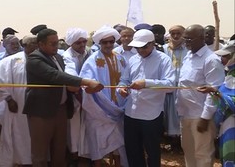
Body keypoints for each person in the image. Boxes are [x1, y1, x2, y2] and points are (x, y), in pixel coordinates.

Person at [23, 28, 103, 167]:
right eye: (52, 44)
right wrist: (85, 81)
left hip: (60, 110)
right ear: (41, 44)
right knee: (40, 153)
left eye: (57, 43)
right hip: (41, 112)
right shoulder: (34, 59)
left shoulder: (58, 57)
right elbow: (55, 76)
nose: (56, 47)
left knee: (59, 150)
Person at [118, 29, 175, 167]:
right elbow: (124, 79)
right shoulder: (133, 59)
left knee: (152, 151)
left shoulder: (163, 60)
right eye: (137, 47)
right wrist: (122, 88)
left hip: (152, 114)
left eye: (144, 47)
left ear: (153, 43)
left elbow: (171, 85)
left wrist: (146, 83)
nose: (141, 50)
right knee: (133, 150)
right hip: (131, 112)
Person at [79, 25, 128, 167]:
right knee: (97, 143)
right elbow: (85, 81)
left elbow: (126, 78)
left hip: (118, 107)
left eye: (111, 42)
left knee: (119, 142)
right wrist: (89, 88)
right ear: (99, 43)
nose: (108, 45)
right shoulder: (92, 60)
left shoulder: (121, 58)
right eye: (104, 42)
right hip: (98, 109)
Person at [176, 24, 225, 167]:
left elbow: (214, 90)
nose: (186, 42)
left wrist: (205, 117)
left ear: (202, 38)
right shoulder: (188, 56)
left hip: (200, 116)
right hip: (185, 113)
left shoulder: (211, 60)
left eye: (190, 39)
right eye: (185, 38)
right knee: (189, 151)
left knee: (202, 154)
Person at [0, 35, 38, 166]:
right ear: (25, 45)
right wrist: (9, 99)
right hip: (17, 107)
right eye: (32, 43)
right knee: (18, 134)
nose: (36, 46)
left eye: (37, 43)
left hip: (38, 108)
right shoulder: (10, 61)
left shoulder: (43, 61)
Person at [197, 41, 235, 166]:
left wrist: (215, 91)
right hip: (228, 123)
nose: (222, 59)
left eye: (225, 56)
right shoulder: (230, 74)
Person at [62, 27, 91, 166]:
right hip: (73, 94)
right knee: (74, 125)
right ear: (71, 43)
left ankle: (85, 153)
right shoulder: (67, 56)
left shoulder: (89, 53)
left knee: (86, 123)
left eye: (84, 42)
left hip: (88, 93)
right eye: (78, 43)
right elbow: (71, 75)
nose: (82, 45)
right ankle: (74, 153)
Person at [162, 25, 188, 150]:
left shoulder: (188, 49)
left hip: (182, 88)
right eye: (173, 34)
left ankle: (180, 143)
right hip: (166, 87)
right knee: (167, 113)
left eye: (179, 33)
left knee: (180, 114)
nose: (176, 36)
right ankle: (170, 141)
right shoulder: (163, 49)